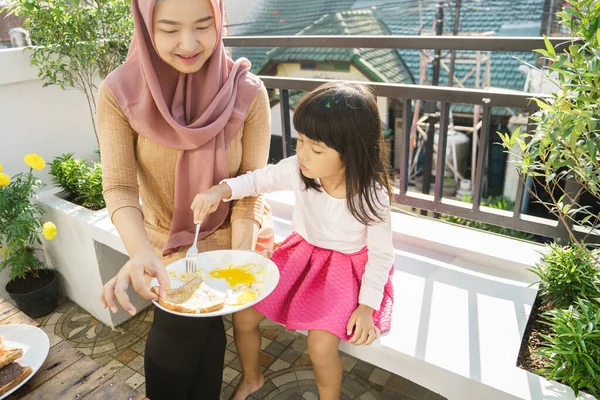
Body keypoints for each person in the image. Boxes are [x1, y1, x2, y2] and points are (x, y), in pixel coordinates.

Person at [96, 0, 273, 398]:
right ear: (145, 26)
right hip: (164, 244)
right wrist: (140, 251)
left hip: (232, 238)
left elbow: (251, 188)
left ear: (220, 20)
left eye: (203, 25)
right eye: (170, 28)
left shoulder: (247, 92)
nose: (189, 43)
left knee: (196, 329)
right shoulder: (119, 93)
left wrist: (238, 261)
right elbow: (120, 186)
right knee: (181, 334)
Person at [192, 82, 395, 400]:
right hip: (301, 254)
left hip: (346, 268)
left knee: (321, 345)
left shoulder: (372, 194)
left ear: (352, 151)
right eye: (301, 141)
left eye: (316, 149)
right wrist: (220, 191)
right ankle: (251, 378)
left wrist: (367, 306)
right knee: (244, 315)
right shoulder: (299, 170)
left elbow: (382, 254)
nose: (301, 154)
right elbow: (259, 179)